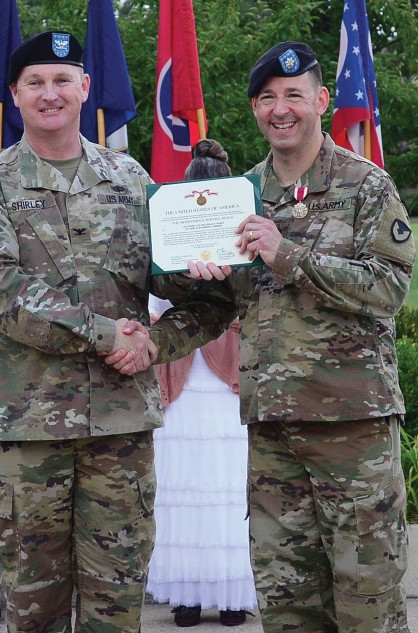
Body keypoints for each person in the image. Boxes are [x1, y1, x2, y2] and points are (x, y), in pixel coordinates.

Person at [0, 30, 234, 633]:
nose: (49, 94)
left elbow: (200, 294)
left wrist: (161, 337)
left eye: (62, 80)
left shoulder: (131, 182)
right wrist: (108, 335)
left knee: (117, 605)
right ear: (16, 96)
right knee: (35, 611)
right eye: (35, 83)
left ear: (84, 88)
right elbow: (0, 297)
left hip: (119, 431)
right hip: (28, 436)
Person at [186, 42, 416, 633]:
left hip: (352, 429)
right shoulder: (236, 197)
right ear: (256, 110)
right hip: (273, 434)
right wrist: (145, 331)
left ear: (320, 101)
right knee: (288, 606)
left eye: (293, 95)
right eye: (266, 98)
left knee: (369, 602)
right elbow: (215, 307)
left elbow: (388, 289)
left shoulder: (366, 187)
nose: (280, 109)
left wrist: (286, 255)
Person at [146, 140, 257, 628]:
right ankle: (209, 597)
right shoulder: (168, 225)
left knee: (202, 482)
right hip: (187, 375)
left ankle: (213, 596)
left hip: (217, 377)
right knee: (209, 482)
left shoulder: (243, 222)